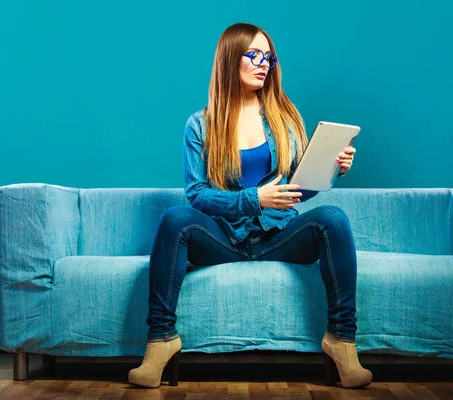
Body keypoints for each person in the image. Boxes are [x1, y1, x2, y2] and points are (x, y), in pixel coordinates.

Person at [128, 22, 372, 389]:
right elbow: (196, 195)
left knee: (333, 219)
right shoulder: (201, 124)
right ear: (230, 59)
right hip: (223, 239)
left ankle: (341, 341)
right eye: (254, 55)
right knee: (175, 218)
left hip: (278, 236)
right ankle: (161, 341)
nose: (264, 64)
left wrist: (329, 170)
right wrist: (253, 199)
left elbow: (296, 191)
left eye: (269, 57)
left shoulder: (285, 118)